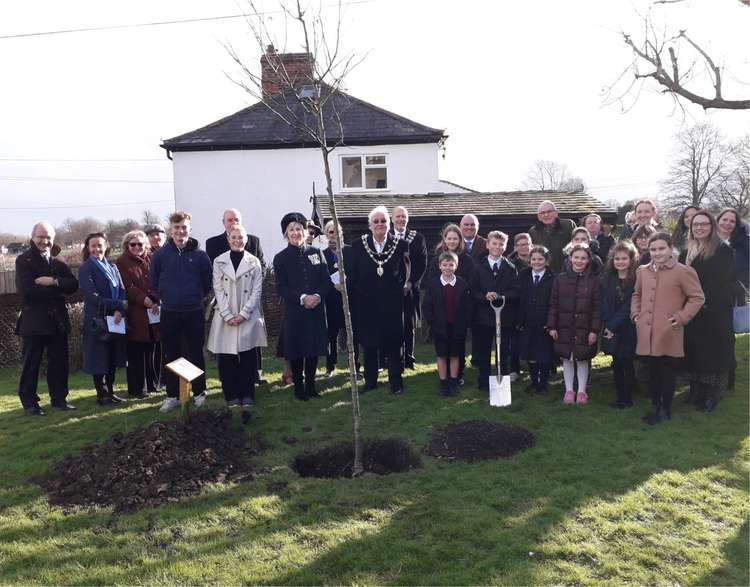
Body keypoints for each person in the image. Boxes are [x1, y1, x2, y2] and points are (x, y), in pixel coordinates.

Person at [632, 232, 704, 424]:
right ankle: (655, 406)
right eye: (653, 249)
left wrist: (682, 317)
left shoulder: (683, 271)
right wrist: (636, 315)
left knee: (667, 372)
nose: (657, 253)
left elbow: (697, 297)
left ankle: (666, 408)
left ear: (670, 248)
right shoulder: (642, 271)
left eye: (661, 248)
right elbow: (636, 295)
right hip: (647, 332)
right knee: (652, 371)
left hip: (669, 331)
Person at [151, 211, 212, 412]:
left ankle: (200, 392)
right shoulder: (160, 255)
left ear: (189, 229)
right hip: (169, 311)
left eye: (184, 227)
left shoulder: (200, 256)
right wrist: (168, 297)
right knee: (172, 354)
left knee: (195, 352)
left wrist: (194, 297)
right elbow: (154, 282)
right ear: (171, 230)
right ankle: (173, 396)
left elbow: (206, 283)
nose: (180, 231)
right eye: (176, 227)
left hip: (193, 311)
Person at [15, 222, 79, 415]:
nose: (45, 241)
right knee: (31, 363)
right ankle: (30, 404)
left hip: (57, 321)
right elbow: (28, 290)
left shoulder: (58, 263)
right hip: (34, 321)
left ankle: (59, 399)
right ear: (32, 238)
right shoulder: (23, 260)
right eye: (41, 237)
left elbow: (73, 284)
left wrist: (53, 281)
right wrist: (58, 292)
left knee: (59, 362)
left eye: (49, 237)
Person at [348, 206, 409, 395]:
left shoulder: (400, 245)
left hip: (392, 303)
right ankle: (371, 382)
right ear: (369, 225)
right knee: (369, 344)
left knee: (393, 344)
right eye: (376, 221)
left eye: (384, 221)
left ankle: (396, 382)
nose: (380, 224)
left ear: (389, 224)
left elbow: (406, 272)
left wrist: (397, 289)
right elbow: (352, 273)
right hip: (367, 304)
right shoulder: (358, 245)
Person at [679, 211, 735, 412]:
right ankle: (696, 390)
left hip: (715, 309)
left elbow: (719, 282)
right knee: (695, 352)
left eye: (704, 224)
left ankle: (712, 395)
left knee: (714, 353)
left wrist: (699, 300)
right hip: (693, 310)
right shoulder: (686, 252)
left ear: (712, 226)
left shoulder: (722, 250)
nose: (699, 228)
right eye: (696, 225)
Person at [207, 224, 267, 408]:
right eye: (233, 237)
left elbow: (257, 291)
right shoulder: (219, 261)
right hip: (225, 315)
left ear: (246, 239)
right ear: (228, 239)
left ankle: (247, 394)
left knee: (248, 357)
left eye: (240, 237)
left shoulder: (254, 262)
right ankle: (231, 395)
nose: (237, 240)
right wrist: (226, 314)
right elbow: (217, 288)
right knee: (227, 359)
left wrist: (244, 314)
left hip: (247, 315)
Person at [273, 212, 330, 401]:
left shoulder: (316, 253)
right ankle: (299, 388)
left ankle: (311, 386)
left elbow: (326, 281)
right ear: (286, 234)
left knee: (312, 350)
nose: (296, 233)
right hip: (295, 311)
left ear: (305, 232)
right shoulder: (280, 258)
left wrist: (317, 295)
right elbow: (281, 287)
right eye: (291, 230)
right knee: (297, 350)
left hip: (315, 310)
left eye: (299, 229)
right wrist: (303, 297)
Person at [547, 243, 600, 405]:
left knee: (583, 358)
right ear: (570, 258)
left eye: (583, 258)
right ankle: (569, 390)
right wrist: (552, 326)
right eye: (576, 257)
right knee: (567, 358)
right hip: (564, 325)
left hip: (585, 327)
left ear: (588, 260)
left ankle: (582, 391)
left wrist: (594, 330)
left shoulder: (594, 281)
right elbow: (553, 304)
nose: (579, 261)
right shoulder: (560, 279)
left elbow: (597, 309)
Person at [79, 232, 127, 406]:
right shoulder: (86, 268)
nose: (97, 249)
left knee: (112, 358)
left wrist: (119, 310)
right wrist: (118, 305)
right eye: (93, 246)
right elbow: (93, 297)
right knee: (99, 358)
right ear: (88, 248)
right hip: (97, 320)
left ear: (106, 246)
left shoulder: (113, 267)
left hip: (115, 319)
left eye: (100, 245)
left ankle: (111, 392)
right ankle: (102, 395)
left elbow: (122, 291)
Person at [469, 230, 519, 391]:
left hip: (504, 317)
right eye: (494, 243)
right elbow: (473, 291)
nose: (497, 247)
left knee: (503, 351)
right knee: (483, 351)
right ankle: (484, 381)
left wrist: (502, 296)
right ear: (487, 245)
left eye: (501, 244)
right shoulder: (478, 267)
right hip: (483, 317)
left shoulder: (511, 267)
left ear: (505, 247)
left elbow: (516, 291)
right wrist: (485, 296)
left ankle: (502, 380)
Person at [427, 223, 475, 383]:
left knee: (457, 348)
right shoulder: (436, 260)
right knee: (442, 348)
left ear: (460, 240)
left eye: (455, 238)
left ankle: (457, 375)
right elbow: (431, 286)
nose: (452, 241)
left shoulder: (467, 260)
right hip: (442, 309)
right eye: (449, 238)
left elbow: (471, 283)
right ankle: (444, 376)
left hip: (458, 308)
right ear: (444, 239)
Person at [116, 230, 160, 398]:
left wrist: (155, 299)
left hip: (154, 311)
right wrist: (144, 300)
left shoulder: (153, 258)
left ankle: (153, 385)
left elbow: (158, 280)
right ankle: (137, 388)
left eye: (140, 244)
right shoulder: (122, 262)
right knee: (136, 352)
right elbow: (127, 286)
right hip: (135, 312)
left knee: (152, 350)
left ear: (146, 245)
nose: (136, 247)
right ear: (127, 245)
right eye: (132, 244)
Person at [422, 251, 472, 397]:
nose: (448, 267)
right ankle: (443, 382)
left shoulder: (463, 284)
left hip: (457, 327)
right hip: (440, 327)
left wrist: (464, 324)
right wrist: (433, 322)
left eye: (451, 265)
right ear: (440, 266)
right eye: (445, 265)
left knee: (455, 354)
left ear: (456, 266)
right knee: (442, 355)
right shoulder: (433, 284)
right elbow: (427, 306)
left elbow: (468, 307)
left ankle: (454, 381)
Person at [600, 241, 639, 409]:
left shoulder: (636, 279)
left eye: (624, 258)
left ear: (631, 260)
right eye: (617, 258)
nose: (620, 262)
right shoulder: (608, 279)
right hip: (612, 329)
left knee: (627, 363)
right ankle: (620, 397)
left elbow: (629, 306)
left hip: (629, 327)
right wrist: (608, 326)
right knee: (616, 363)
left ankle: (627, 398)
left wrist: (612, 325)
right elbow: (605, 303)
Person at [716, 207, 750, 390]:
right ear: (718, 220)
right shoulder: (709, 240)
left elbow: (746, 270)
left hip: (731, 296)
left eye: (732, 221)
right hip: (710, 296)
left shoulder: (743, 243)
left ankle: (729, 376)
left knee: (727, 338)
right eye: (724, 219)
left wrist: (736, 286)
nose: (727, 223)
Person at [391, 206, 427, 370]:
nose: (401, 220)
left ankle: (409, 359)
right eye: (398, 216)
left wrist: (410, 282)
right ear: (392, 219)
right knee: (392, 325)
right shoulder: (386, 238)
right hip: (390, 290)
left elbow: (422, 263)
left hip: (410, 289)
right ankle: (391, 359)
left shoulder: (417, 238)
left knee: (409, 325)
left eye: (403, 217)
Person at [321, 220, 358, 377]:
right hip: (331, 301)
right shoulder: (322, 254)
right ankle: (331, 366)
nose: (334, 234)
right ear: (326, 235)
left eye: (337, 231)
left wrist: (346, 285)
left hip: (349, 300)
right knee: (331, 335)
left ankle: (354, 366)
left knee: (352, 335)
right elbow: (321, 277)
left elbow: (356, 274)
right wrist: (332, 285)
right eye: (330, 232)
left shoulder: (350, 252)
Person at [516, 245, 555, 394]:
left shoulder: (552, 277)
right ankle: (533, 381)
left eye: (540, 259)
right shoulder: (524, 275)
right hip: (527, 322)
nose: (537, 262)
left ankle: (543, 383)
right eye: (534, 259)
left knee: (543, 356)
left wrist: (550, 323)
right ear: (529, 260)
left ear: (546, 261)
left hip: (544, 323)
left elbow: (554, 301)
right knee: (530, 354)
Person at [528, 200, 576, 272]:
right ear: (538, 217)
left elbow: (579, 244)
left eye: (549, 212)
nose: (546, 215)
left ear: (556, 213)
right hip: (546, 273)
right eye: (542, 213)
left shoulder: (568, 225)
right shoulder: (533, 232)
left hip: (568, 270)